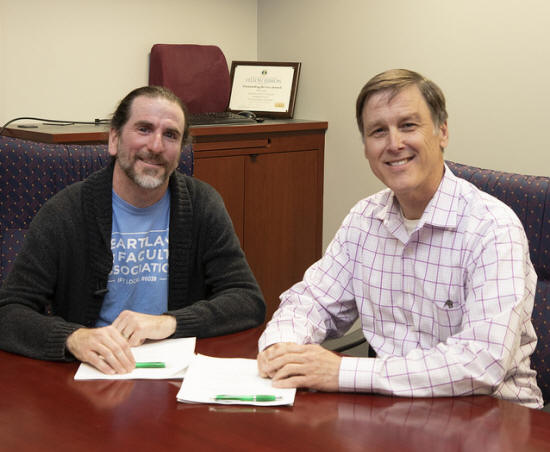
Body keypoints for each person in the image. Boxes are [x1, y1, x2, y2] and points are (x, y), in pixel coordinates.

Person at [257, 69, 543, 408]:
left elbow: (483, 363)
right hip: (395, 410)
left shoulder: (493, 228)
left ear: (442, 132)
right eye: (378, 131)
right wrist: (281, 347)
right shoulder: (364, 220)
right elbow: (312, 301)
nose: (394, 144)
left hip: (492, 414)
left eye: (408, 125)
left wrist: (342, 372)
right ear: (366, 148)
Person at [0, 86, 265, 374]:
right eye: (144, 129)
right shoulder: (65, 212)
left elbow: (247, 300)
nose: (156, 146)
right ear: (114, 139)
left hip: (174, 373)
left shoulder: (202, 204)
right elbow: (8, 312)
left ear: (180, 151)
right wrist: (72, 338)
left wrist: (170, 322)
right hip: (92, 373)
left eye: (170, 135)